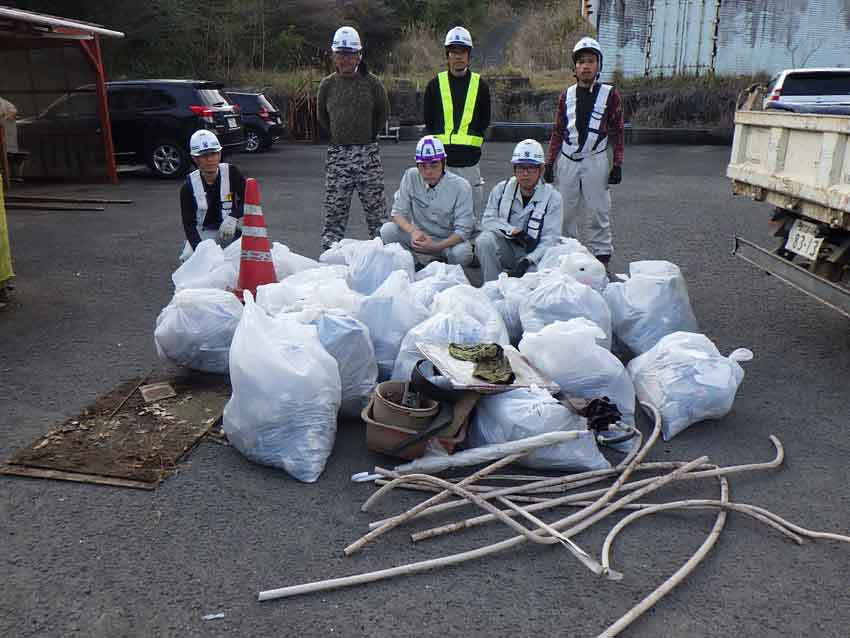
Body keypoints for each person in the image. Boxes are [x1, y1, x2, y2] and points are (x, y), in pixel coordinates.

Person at [544, 37, 624, 267]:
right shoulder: (565, 96)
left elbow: (618, 132)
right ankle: (568, 260)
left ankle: (601, 263)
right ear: (574, 67)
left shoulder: (610, 95)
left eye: (590, 61)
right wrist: (549, 163)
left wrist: (617, 164)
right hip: (567, 161)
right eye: (581, 62)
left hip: (595, 160)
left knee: (598, 214)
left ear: (598, 65)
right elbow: (558, 131)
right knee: (563, 214)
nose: (585, 66)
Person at [317, 25, 390, 251]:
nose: (345, 59)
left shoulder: (373, 83)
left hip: (367, 154)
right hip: (338, 155)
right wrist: (341, 137)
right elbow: (323, 117)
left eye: (350, 54)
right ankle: (330, 260)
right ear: (334, 56)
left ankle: (383, 259)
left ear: (359, 55)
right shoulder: (327, 85)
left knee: (378, 216)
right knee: (334, 216)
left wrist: (366, 136)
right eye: (341, 54)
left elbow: (382, 113)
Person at [423, 26, 491, 225]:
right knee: (440, 217)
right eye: (454, 52)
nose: (458, 56)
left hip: (470, 163)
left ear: (469, 55)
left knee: (468, 217)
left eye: (462, 52)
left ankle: (467, 255)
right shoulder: (435, 85)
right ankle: (440, 255)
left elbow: (484, 120)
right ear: (448, 55)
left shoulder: (481, 85)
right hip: (442, 165)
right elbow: (429, 120)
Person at [475, 139, 563, 283]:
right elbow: (488, 221)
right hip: (509, 249)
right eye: (521, 168)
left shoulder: (553, 198)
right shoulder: (501, 190)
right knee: (484, 240)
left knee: (534, 290)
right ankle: (491, 286)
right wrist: (514, 232)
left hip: (537, 257)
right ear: (514, 169)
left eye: (531, 168)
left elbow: (550, 240)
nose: (525, 174)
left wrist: (528, 261)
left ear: (541, 170)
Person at [380, 135, 474, 266]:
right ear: (417, 165)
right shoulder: (410, 176)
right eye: (423, 166)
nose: (428, 171)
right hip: (420, 237)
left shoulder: (461, 186)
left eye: (434, 164)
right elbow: (397, 213)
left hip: (448, 241)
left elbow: (463, 231)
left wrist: (436, 247)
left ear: (444, 162)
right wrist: (413, 232)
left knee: (463, 253)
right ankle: (415, 266)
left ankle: (448, 269)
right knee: (387, 231)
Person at [179, 129, 246, 261]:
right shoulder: (188, 187)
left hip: (231, 228)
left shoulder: (232, 173)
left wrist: (234, 216)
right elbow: (189, 224)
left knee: (244, 256)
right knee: (189, 257)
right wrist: (199, 249)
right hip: (205, 232)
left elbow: (250, 201)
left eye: (213, 153)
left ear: (220, 153)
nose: (210, 159)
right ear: (195, 158)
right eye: (203, 155)